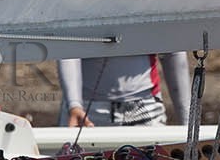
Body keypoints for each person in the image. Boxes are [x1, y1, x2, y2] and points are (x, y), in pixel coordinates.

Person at [60, 54, 191, 128]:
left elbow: (173, 53)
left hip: (145, 110)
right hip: (86, 112)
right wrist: (74, 105)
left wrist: (188, 122)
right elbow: (67, 47)